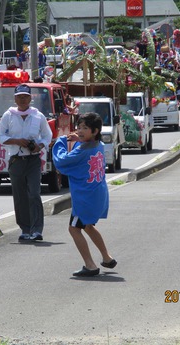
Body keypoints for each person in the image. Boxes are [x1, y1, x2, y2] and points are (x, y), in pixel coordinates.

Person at [52, 112, 116, 277]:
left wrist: (60, 141)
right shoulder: (98, 144)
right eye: (79, 127)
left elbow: (62, 161)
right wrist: (79, 139)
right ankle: (107, 258)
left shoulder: (81, 150)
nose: (79, 131)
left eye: (84, 128)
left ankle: (90, 265)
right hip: (97, 194)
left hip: (85, 198)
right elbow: (85, 146)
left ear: (94, 131)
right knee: (87, 226)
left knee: (74, 228)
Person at [0, 84, 53, 242]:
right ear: (15, 98)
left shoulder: (38, 115)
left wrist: (39, 145)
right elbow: (0, 136)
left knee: (34, 193)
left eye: (25, 96)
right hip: (16, 160)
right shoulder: (8, 115)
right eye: (19, 96)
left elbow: (47, 136)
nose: (22, 99)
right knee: (20, 195)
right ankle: (25, 228)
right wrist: (16, 141)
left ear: (30, 98)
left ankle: (37, 230)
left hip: (33, 160)